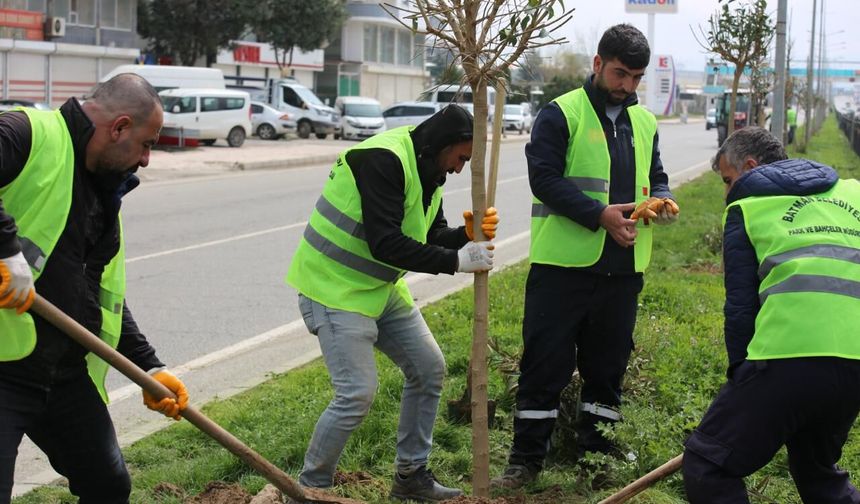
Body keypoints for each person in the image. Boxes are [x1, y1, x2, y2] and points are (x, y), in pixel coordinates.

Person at [492, 23, 678, 489]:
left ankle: (595, 458)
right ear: (597, 64)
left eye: (636, 78)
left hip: (623, 271)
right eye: (620, 74)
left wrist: (663, 197)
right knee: (545, 364)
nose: (628, 87)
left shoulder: (645, 121)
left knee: (608, 367)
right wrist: (601, 216)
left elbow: (656, 174)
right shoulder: (560, 114)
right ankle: (526, 462)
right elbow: (545, 181)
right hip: (563, 270)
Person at [286, 104, 497, 502]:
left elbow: (430, 232)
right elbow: (386, 243)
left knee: (428, 368)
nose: (459, 168)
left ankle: (410, 477)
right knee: (357, 393)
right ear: (445, 144)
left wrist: (462, 236)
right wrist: (457, 261)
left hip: (379, 289)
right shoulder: (383, 159)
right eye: (461, 158)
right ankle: (310, 487)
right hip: (333, 288)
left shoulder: (430, 168)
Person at [0, 74, 190, 503]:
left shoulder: (105, 193)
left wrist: (148, 367)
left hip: (61, 372)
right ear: (119, 127)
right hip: (4, 367)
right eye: (146, 144)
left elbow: (96, 298)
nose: (146, 160)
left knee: (107, 486)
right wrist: (6, 250)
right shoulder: (28, 132)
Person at [682, 126, 860, 503]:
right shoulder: (854, 192)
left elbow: (741, 309)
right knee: (817, 472)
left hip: (790, 355)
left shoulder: (747, 208)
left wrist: (743, 378)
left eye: (728, 181)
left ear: (749, 167)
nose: (727, 192)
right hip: (855, 361)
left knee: (706, 463)